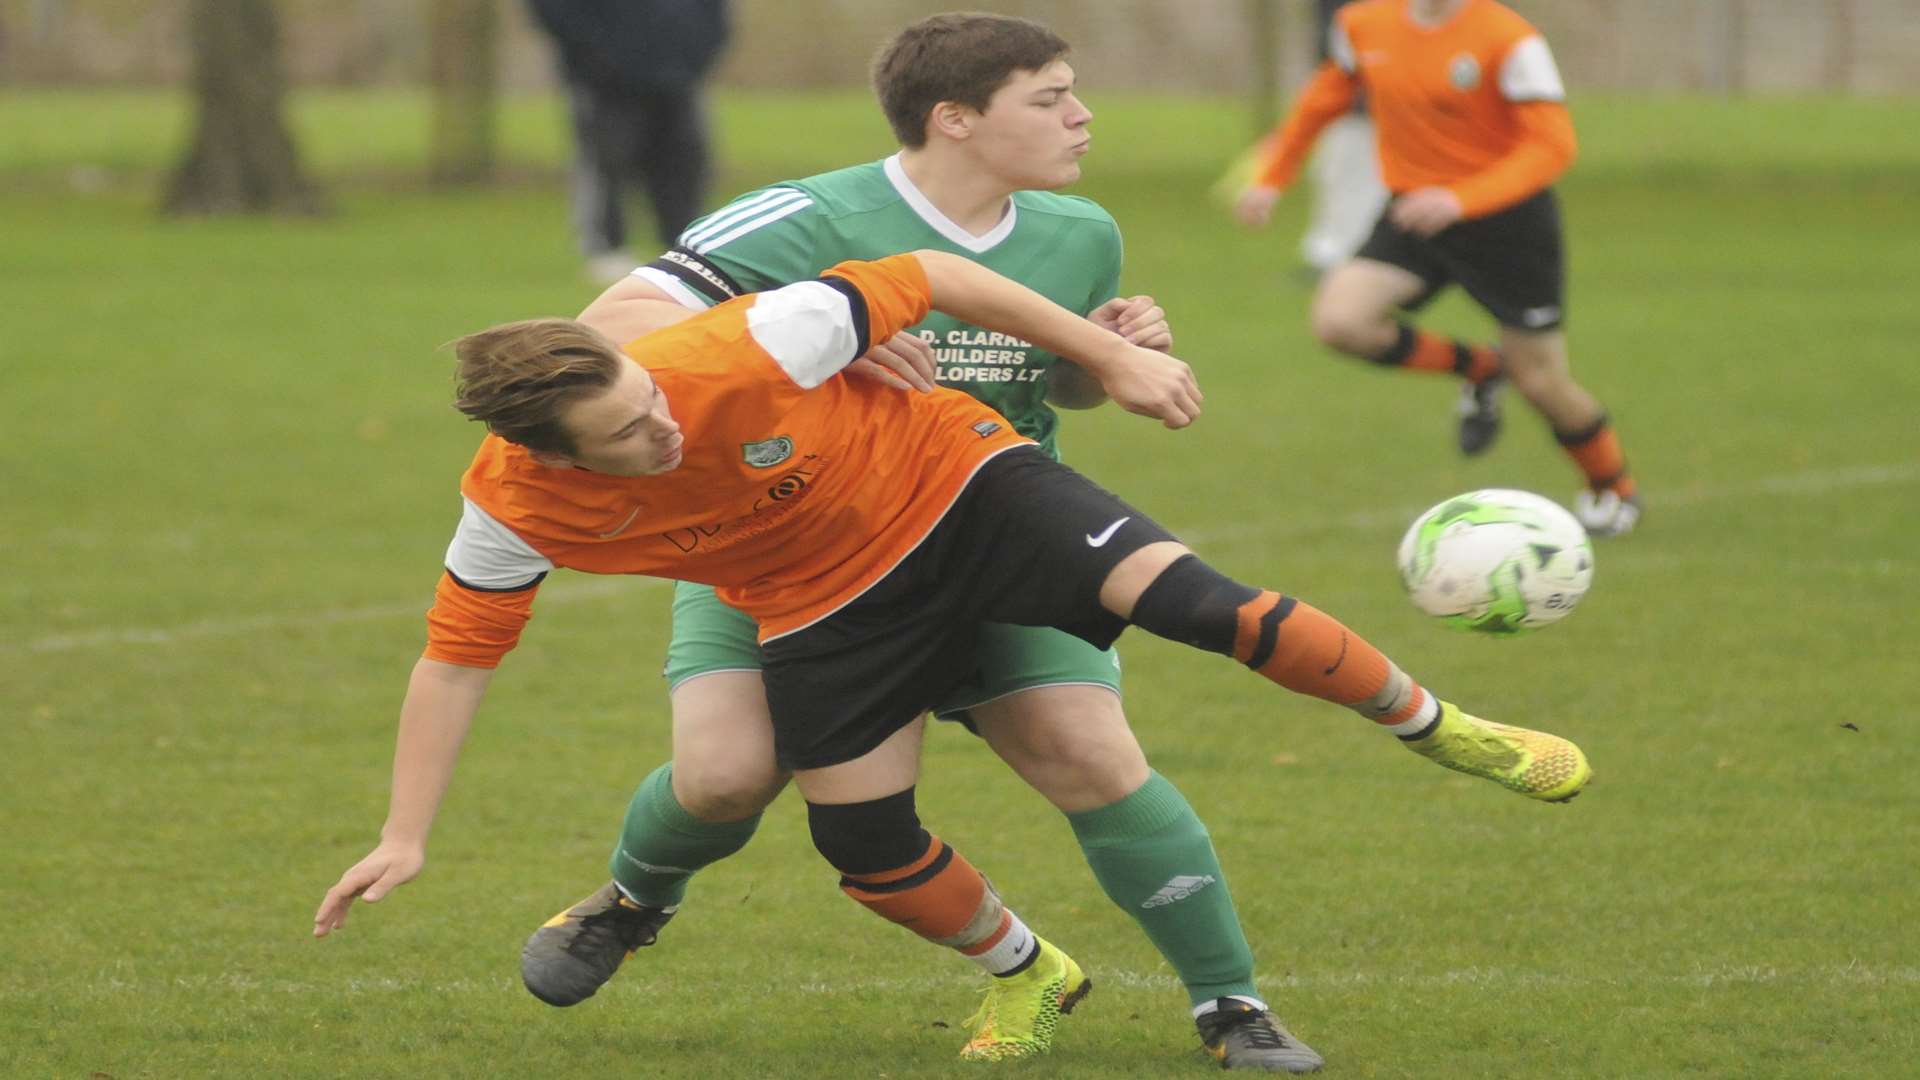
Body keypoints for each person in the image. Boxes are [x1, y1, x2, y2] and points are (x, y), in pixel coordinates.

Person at [312, 250, 1592, 1067]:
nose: (659, 424)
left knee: (1202, 605)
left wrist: (1107, 355)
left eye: (648, 400)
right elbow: (457, 657)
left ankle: (1443, 728)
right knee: (860, 844)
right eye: (625, 435)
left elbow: (933, 274)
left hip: (962, 482)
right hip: (819, 598)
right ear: (552, 455)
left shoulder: (741, 345)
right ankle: (1030, 974)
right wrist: (405, 831)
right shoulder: (515, 508)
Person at [521, 13, 1315, 1072]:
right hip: (783, 539)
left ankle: (1230, 1007)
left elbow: (1056, 385)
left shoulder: (1079, 233)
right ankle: (629, 902)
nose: (1082, 115)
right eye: (1050, 98)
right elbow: (603, 340)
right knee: (721, 778)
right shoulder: (803, 219)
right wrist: (821, 338)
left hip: (984, 544)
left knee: (1088, 753)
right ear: (955, 119)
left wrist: (1100, 355)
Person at [1232, 0, 1642, 536]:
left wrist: (1460, 199)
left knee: (1540, 380)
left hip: (1507, 223)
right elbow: (1326, 95)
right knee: (1341, 322)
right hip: (1414, 212)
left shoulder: (1509, 39)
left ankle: (1614, 488)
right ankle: (1479, 368)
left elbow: (1552, 145)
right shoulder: (1362, 23)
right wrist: (1273, 175)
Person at [525, 0, 730, 284]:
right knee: (605, 159)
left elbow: (713, 14)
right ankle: (607, 249)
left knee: (683, 162)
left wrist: (696, 53)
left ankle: (683, 248)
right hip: (603, 80)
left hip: (680, 74)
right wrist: (597, 57)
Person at [1298, 0, 1389, 274]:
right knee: (1335, 174)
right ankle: (1332, 253)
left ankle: (1348, 256)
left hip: (1373, 106)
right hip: (1345, 98)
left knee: (1363, 181)